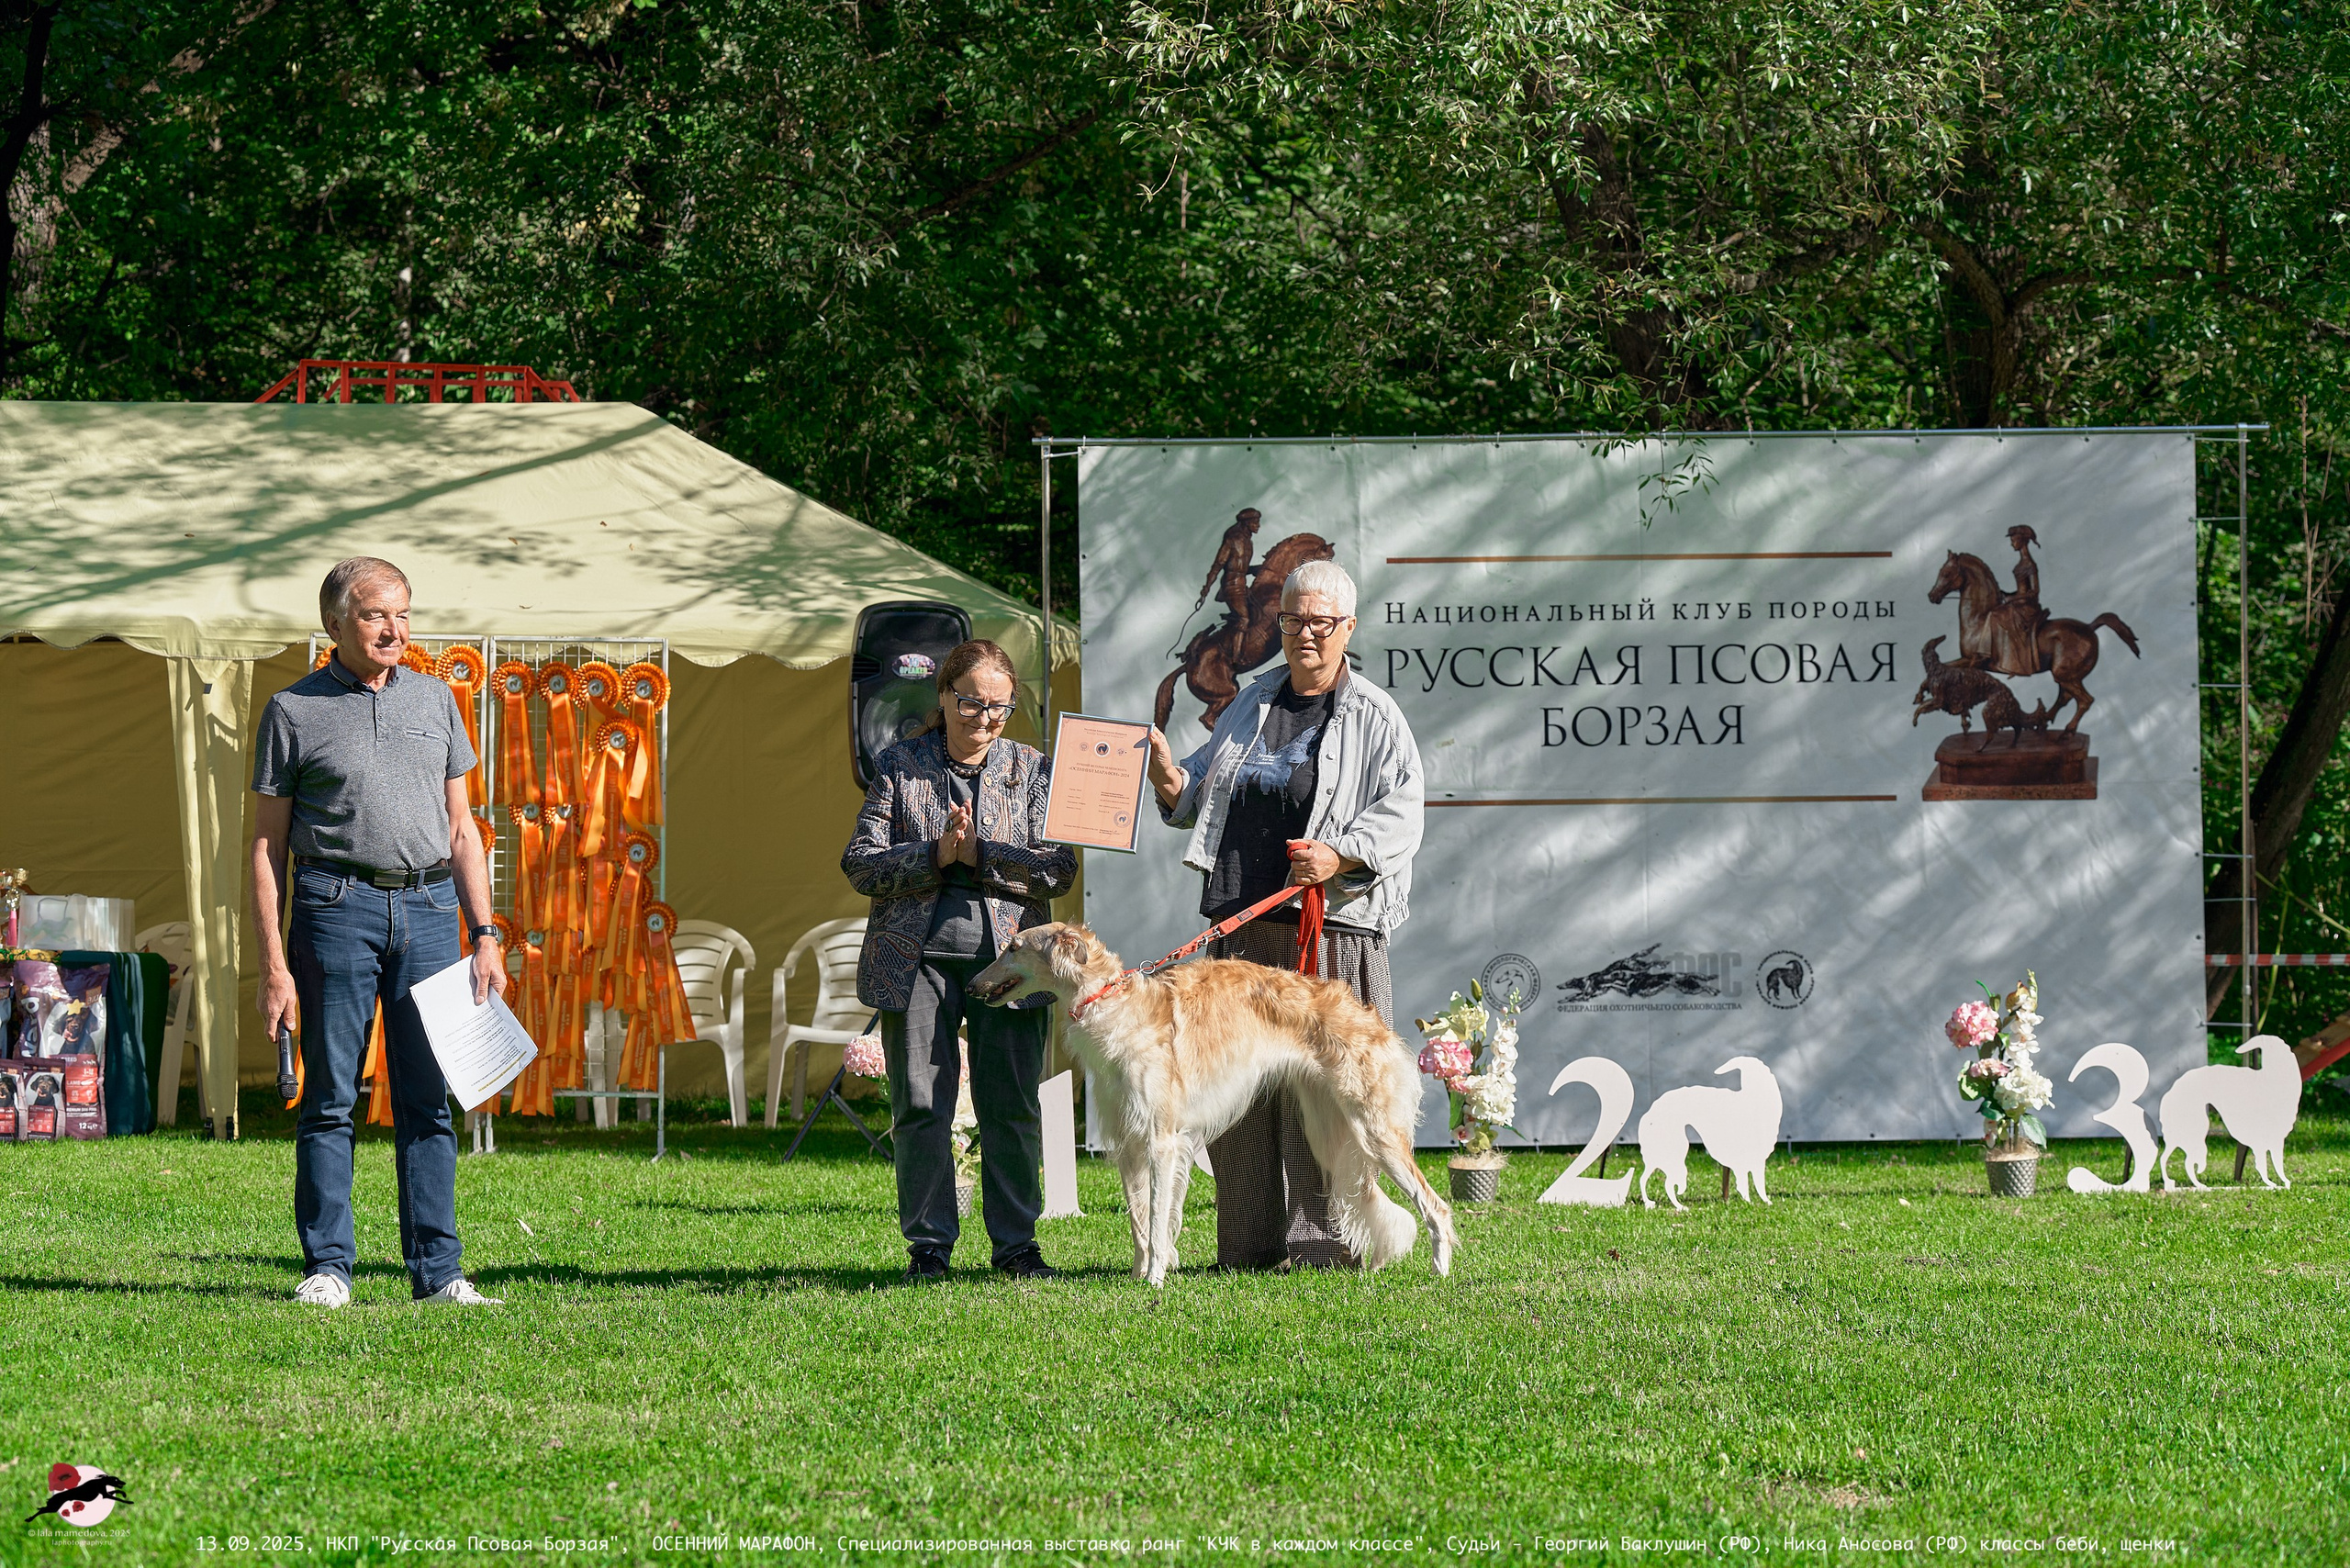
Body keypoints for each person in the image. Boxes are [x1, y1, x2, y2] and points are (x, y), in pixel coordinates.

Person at [1145, 558, 1425, 1270]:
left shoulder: (1374, 714)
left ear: (1347, 628)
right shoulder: (1252, 701)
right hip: (1243, 930)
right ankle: (1246, 1246)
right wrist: (1172, 780)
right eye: (1295, 620)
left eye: (1322, 623)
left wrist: (1341, 854)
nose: (1306, 634)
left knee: (1323, 1098)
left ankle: (1324, 1246)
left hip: (1327, 931)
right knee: (1234, 1097)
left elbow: (1403, 813)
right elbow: (1204, 780)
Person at [250, 557, 507, 1309]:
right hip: (334, 909)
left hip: (430, 913)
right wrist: (274, 964)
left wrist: (485, 933)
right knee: (331, 1096)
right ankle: (329, 1268)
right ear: (334, 625)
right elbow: (266, 848)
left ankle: (440, 1275)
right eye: (375, 615)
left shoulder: (438, 698)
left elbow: (463, 829)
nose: (395, 629)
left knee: (429, 1099)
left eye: (402, 613)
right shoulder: (292, 711)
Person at [841, 640, 1078, 1282]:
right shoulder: (900, 765)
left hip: (1012, 965)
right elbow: (859, 863)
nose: (985, 717)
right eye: (972, 702)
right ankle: (929, 1248)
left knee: (1012, 1106)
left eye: (999, 707)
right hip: (914, 959)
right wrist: (934, 857)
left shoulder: (1032, 768)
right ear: (944, 696)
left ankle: (1016, 1247)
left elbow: (1057, 868)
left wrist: (981, 854)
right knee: (921, 1104)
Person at [1979, 524, 2047, 676]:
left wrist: (2013, 598)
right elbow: (2022, 590)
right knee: (1994, 612)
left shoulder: (2030, 565)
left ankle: (2002, 657)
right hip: (2018, 603)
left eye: (2014, 540)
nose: (2011, 543)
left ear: (2022, 541)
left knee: (1995, 615)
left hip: (2028, 607)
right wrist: (2007, 594)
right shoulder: (2021, 564)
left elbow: (2034, 592)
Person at [1196, 508, 1263, 638]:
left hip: (1241, 585)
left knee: (1258, 612)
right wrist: (1206, 588)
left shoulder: (1249, 543)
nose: (1258, 525)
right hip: (1231, 586)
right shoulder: (1232, 541)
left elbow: (1240, 569)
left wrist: (1255, 569)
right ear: (1246, 523)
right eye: (1255, 522)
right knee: (1244, 619)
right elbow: (1218, 565)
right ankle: (1237, 656)